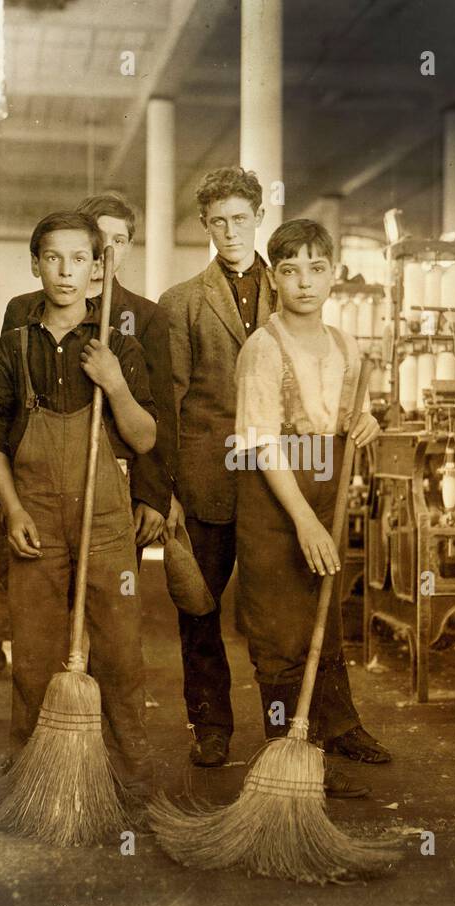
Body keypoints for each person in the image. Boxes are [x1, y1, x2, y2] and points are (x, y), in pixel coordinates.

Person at [0, 210, 158, 805]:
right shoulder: (12, 349)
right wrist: (14, 513)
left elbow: (145, 437)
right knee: (32, 653)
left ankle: (128, 777)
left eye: (80, 259)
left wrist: (117, 385)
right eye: (53, 258)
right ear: (36, 265)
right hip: (36, 521)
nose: (65, 270)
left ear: (98, 270)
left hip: (105, 524)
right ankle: (33, 769)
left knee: (121, 653)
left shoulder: (118, 347)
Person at [231, 218, 392, 797]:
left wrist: (367, 423)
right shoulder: (262, 349)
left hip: (327, 487)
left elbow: (355, 415)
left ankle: (339, 725)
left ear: (334, 276)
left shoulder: (348, 347)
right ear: (274, 278)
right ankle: (285, 743)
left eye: (316, 269)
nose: (304, 282)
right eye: (290, 270)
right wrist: (302, 520)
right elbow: (262, 444)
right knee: (279, 627)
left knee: (323, 608)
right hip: (276, 497)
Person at [158, 167, 275, 768]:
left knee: (282, 613)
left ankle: (291, 734)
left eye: (241, 218)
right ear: (205, 226)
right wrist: (167, 491)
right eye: (219, 221)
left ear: (259, 217)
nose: (231, 231)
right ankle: (212, 727)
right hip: (206, 484)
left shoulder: (289, 292)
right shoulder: (180, 303)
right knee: (198, 610)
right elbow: (169, 403)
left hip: (281, 482)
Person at [2, 193, 177, 551]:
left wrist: (154, 495)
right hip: (39, 488)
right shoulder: (23, 310)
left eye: (120, 241)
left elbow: (161, 413)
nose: (108, 251)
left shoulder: (146, 318)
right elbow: (7, 412)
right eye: (99, 238)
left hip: (117, 489)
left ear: (129, 247)